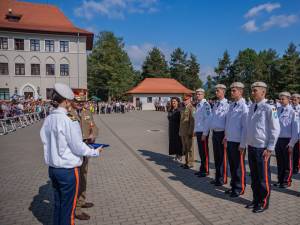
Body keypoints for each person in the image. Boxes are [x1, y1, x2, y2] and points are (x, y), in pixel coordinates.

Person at [40, 83, 102, 225]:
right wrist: (94, 152)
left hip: (53, 168)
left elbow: (45, 141)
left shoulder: (49, 119)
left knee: (58, 205)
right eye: (74, 101)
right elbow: (77, 146)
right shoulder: (69, 119)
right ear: (67, 101)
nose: (77, 103)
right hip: (68, 169)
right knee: (68, 210)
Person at [245, 81, 280, 213]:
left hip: (262, 148)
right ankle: (255, 199)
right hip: (252, 146)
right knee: (254, 177)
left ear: (263, 92)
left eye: (255, 90)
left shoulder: (269, 107)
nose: (253, 92)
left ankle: (263, 202)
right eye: (252, 90)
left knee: (263, 177)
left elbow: (275, 129)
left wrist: (270, 148)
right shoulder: (252, 106)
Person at [69, 98, 99, 220]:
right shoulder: (68, 113)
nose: (80, 104)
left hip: (86, 147)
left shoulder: (87, 112)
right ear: (71, 101)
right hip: (74, 151)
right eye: (77, 101)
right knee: (76, 179)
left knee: (83, 176)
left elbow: (94, 126)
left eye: (82, 102)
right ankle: (76, 209)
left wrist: (93, 134)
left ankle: (81, 201)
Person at [224, 82, 248, 197]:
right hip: (230, 140)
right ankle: (233, 186)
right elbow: (229, 123)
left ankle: (240, 188)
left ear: (241, 91)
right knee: (232, 166)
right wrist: (226, 137)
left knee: (239, 166)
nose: (232, 92)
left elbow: (245, 127)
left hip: (238, 142)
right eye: (231, 90)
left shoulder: (244, 107)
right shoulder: (232, 105)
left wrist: (243, 144)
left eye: (234, 90)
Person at [204, 84, 229, 186]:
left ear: (223, 91)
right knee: (217, 157)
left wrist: (226, 136)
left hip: (222, 134)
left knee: (222, 157)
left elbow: (228, 122)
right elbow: (212, 119)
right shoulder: (215, 104)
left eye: (217, 91)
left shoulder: (227, 105)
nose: (216, 92)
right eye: (215, 91)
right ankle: (217, 177)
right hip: (215, 133)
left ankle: (223, 179)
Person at [194, 88, 211, 177]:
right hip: (199, 131)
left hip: (203, 132)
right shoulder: (198, 105)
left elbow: (208, 119)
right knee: (201, 151)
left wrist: (205, 133)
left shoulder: (206, 105)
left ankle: (206, 170)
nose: (198, 95)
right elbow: (197, 120)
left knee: (204, 152)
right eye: (197, 94)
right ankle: (202, 168)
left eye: (199, 94)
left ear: (203, 95)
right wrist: (195, 130)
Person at [179, 94, 195, 169]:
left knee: (190, 148)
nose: (184, 101)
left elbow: (192, 121)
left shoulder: (192, 108)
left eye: (186, 100)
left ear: (190, 100)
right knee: (185, 148)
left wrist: (190, 132)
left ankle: (190, 163)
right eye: (184, 100)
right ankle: (186, 162)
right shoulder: (183, 108)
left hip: (188, 132)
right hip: (183, 131)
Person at [291, 93, 300, 174]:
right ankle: (290, 167)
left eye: (295, 99)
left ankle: (296, 167)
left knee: (297, 152)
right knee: (290, 153)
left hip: (298, 134)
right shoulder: (289, 108)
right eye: (292, 99)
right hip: (290, 135)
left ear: (299, 100)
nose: (293, 101)